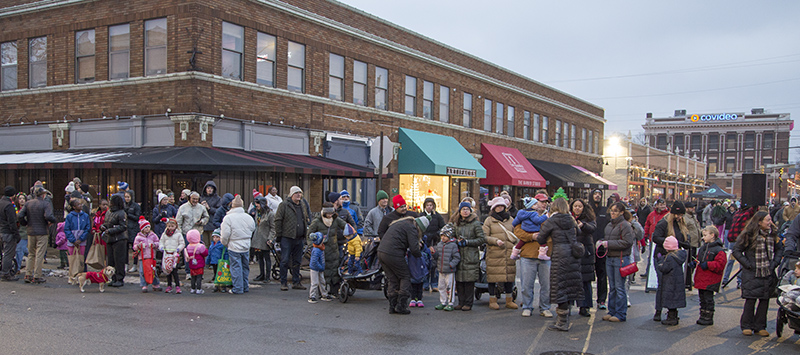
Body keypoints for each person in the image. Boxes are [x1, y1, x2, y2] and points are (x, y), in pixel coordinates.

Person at [733, 211, 784, 337]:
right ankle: (746, 325)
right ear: (759, 222)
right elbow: (736, 250)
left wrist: (774, 263)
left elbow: (779, 249)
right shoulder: (749, 235)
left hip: (768, 273)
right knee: (750, 300)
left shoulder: (773, 235)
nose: (770, 222)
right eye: (767, 220)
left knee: (764, 301)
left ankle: (760, 326)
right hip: (752, 273)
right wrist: (748, 264)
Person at [537, 197, 583, 331]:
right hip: (572, 255)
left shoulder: (551, 221)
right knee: (569, 285)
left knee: (560, 286)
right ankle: (566, 318)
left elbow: (541, 238)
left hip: (559, 254)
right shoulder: (571, 219)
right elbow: (578, 233)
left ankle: (562, 322)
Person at [514, 193, 553, 317]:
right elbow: (517, 231)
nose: (544, 204)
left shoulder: (550, 217)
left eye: (546, 202)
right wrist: (531, 236)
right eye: (541, 201)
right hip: (528, 254)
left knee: (546, 285)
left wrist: (543, 238)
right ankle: (527, 306)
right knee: (526, 284)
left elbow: (554, 234)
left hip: (545, 254)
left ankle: (545, 307)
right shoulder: (525, 214)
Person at [596, 201, 635, 323]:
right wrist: (602, 242)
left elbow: (627, 242)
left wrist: (608, 244)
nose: (612, 213)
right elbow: (610, 239)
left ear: (621, 212)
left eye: (615, 211)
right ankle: (612, 311)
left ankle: (620, 313)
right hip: (610, 257)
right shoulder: (609, 225)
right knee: (612, 286)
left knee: (619, 287)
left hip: (620, 258)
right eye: (611, 211)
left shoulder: (625, 225)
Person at [378, 215, 425, 315]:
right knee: (405, 277)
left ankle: (392, 306)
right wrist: (421, 255)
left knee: (392, 279)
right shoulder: (412, 227)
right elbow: (414, 249)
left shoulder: (401, 223)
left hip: (381, 252)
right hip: (393, 253)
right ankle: (401, 306)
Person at [650, 201, 689, 321]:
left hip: (674, 256)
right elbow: (655, 237)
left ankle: (671, 311)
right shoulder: (664, 223)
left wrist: (682, 243)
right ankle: (658, 310)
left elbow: (684, 239)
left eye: (681, 215)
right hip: (662, 255)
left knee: (672, 285)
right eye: (678, 214)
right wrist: (670, 242)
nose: (679, 217)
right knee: (662, 284)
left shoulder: (680, 223)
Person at [482, 196, 518, 311]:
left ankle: (509, 300)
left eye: (501, 206)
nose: (500, 208)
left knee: (509, 277)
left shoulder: (511, 220)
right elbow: (484, 236)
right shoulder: (489, 220)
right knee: (493, 277)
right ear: (493, 208)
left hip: (508, 253)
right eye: (497, 206)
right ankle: (492, 300)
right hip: (494, 252)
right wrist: (495, 241)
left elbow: (515, 234)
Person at [17, 186, 57, 284]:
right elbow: (48, 216)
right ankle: (37, 275)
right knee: (40, 254)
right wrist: (52, 221)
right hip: (42, 231)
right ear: (43, 195)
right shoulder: (45, 204)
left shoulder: (28, 203)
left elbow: (19, 215)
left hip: (30, 231)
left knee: (31, 254)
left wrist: (25, 223)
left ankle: (28, 274)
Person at [452, 201, 485, 311]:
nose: (465, 211)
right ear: (460, 211)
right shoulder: (456, 223)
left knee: (469, 282)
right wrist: (456, 241)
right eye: (463, 209)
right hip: (459, 255)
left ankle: (468, 303)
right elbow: (452, 236)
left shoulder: (475, 223)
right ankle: (460, 302)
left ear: (470, 211)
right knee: (459, 281)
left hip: (471, 256)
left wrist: (468, 242)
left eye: (467, 209)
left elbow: (481, 239)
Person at [274, 186, 309, 291]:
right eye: (296, 193)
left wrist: (305, 234)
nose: (299, 195)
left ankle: (296, 282)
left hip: (299, 238)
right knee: (284, 260)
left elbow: (306, 218)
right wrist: (279, 235)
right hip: (287, 237)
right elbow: (278, 220)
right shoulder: (284, 205)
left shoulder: (302, 205)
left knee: (297, 261)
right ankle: (283, 283)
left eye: (300, 193)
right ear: (291, 194)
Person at [308, 202, 346, 297]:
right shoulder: (317, 221)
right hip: (321, 250)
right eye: (328, 214)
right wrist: (311, 246)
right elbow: (309, 234)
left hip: (334, 250)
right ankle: (322, 291)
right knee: (323, 272)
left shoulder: (336, 219)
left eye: (331, 213)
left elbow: (345, 226)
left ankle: (334, 291)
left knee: (334, 271)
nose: (330, 216)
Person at [220, 195, 254, 294]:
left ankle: (238, 288)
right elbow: (252, 228)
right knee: (245, 267)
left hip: (234, 245)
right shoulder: (248, 217)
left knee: (236, 267)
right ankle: (245, 286)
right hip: (246, 244)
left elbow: (225, 234)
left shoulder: (228, 218)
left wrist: (225, 243)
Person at [693, 226, 727, 326]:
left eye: (705, 235)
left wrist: (708, 264)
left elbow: (720, 265)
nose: (703, 238)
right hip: (702, 278)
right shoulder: (703, 248)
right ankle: (703, 314)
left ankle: (708, 316)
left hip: (710, 279)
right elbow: (699, 259)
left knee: (708, 299)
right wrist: (694, 263)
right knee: (702, 298)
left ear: (712, 236)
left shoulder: (718, 250)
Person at [571, 198, 597, 317]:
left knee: (585, 282)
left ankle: (584, 306)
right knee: (571, 281)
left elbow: (592, 228)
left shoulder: (588, 219)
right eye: (575, 206)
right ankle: (568, 305)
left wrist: (583, 225)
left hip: (585, 254)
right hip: (571, 253)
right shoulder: (568, 217)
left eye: (579, 206)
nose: (577, 208)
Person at [177, 191, 210, 278]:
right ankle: (188, 272)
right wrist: (180, 232)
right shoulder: (182, 208)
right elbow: (178, 221)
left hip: (198, 233)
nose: (195, 201)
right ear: (189, 199)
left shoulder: (201, 207)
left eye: (197, 199)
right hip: (186, 233)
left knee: (199, 254)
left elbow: (206, 217)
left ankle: (199, 272)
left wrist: (202, 222)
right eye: (193, 199)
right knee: (188, 254)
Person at [656, 236, 687, 326]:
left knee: (671, 300)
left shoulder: (670, 258)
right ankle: (674, 316)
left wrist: (660, 262)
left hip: (670, 282)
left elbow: (664, 268)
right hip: (677, 282)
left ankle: (671, 318)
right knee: (674, 300)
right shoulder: (679, 255)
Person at [588, 189, 609, 309]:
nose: (597, 196)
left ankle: (601, 300)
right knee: (588, 274)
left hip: (601, 247)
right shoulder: (587, 209)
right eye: (595, 194)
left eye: (600, 194)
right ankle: (586, 301)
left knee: (602, 274)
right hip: (589, 246)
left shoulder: (605, 210)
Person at [102, 194, 128, 287]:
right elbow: (106, 223)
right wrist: (103, 227)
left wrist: (110, 230)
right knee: (111, 260)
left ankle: (120, 278)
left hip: (119, 239)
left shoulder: (121, 213)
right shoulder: (109, 212)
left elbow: (123, 226)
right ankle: (113, 278)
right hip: (110, 238)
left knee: (119, 260)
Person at [419, 197, 445, 292]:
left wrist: (437, 235)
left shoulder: (437, 216)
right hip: (424, 242)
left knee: (434, 264)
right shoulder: (421, 215)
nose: (429, 207)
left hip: (435, 242)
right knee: (425, 263)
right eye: (427, 205)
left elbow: (442, 227)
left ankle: (434, 284)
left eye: (431, 205)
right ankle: (425, 284)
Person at [433, 224, 460, 311]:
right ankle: (443, 301)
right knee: (441, 286)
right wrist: (434, 254)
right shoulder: (439, 245)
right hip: (441, 269)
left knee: (450, 287)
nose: (443, 238)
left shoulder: (453, 245)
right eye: (442, 236)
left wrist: (451, 265)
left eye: (445, 236)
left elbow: (457, 257)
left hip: (449, 270)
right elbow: (437, 255)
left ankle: (450, 302)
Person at [64, 198, 90, 285]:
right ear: (74, 207)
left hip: (82, 240)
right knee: (72, 259)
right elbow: (66, 229)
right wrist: (73, 240)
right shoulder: (69, 216)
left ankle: (80, 276)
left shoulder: (85, 216)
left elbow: (87, 228)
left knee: (81, 259)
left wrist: (81, 239)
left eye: (81, 204)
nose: (81, 205)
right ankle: (72, 276)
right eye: (78, 204)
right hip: (72, 241)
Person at [133, 217, 161, 293]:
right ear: (142, 228)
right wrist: (139, 246)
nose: (147, 229)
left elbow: (158, 243)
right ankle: (144, 285)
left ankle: (155, 284)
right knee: (142, 271)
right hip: (142, 257)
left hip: (152, 257)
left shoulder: (153, 235)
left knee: (153, 271)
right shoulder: (138, 237)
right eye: (145, 227)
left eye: (148, 227)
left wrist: (154, 245)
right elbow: (134, 246)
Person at [250, 196, 275, 283]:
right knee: (259, 258)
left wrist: (270, 238)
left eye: (258, 203)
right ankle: (261, 274)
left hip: (265, 239)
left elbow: (273, 228)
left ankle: (267, 276)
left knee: (267, 257)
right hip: (257, 238)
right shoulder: (258, 212)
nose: (256, 205)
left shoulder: (270, 214)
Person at [408, 224, 431, 308]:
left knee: (420, 287)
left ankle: (419, 299)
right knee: (413, 286)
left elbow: (428, 261)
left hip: (421, 272)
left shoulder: (424, 253)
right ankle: (413, 298)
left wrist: (427, 270)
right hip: (412, 272)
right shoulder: (410, 253)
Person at [0, 186, 21, 281]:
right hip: (8, 232)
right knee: (8, 254)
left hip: (1, 231)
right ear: (13, 195)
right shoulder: (9, 205)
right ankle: (6, 273)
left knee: (3, 253)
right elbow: (12, 222)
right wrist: (16, 234)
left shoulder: (1, 202)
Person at [159, 218, 184, 294]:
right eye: (169, 226)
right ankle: (169, 285)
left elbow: (182, 243)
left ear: (175, 226)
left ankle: (177, 285)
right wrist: (161, 247)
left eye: (172, 226)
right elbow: (161, 241)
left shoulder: (178, 234)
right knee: (167, 271)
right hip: (167, 254)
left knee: (174, 271)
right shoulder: (164, 234)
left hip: (174, 255)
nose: (170, 228)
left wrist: (178, 249)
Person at [184, 229, 209, 294]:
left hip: (192, 265)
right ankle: (198, 289)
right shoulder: (200, 246)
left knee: (193, 277)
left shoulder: (188, 246)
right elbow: (205, 253)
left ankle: (192, 288)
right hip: (199, 264)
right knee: (199, 277)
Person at [684, 201, 702, 289]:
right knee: (689, 263)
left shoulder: (693, 217)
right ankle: (687, 280)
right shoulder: (685, 217)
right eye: (691, 207)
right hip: (689, 244)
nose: (693, 208)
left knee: (693, 263)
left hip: (695, 243)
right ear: (686, 208)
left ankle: (689, 279)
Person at [307, 232, 329, 303]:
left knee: (322, 281)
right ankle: (312, 296)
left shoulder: (320, 248)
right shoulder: (317, 250)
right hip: (315, 269)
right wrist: (320, 267)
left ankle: (324, 294)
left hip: (319, 268)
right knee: (315, 283)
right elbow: (314, 261)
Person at [123, 190, 141, 273]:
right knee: (125, 248)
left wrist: (128, 214)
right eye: (125, 197)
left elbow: (137, 217)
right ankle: (126, 264)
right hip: (126, 228)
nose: (126, 199)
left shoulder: (135, 206)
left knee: (134, 248)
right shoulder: (123, 205)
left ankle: (134, 265)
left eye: (128, 197)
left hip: (133, 228)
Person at [200, 180, 222, 246]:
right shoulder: (201, 198)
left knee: (212, 243)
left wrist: (209, 208)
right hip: (203, 224)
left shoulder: (217, 199)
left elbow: (218, 211)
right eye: (208, 188)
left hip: (212, 224)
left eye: (211, 188)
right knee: (204, 243)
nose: (210, 190)